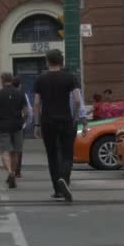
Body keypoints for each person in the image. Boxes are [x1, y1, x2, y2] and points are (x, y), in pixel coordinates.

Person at [33, 49, 83, 202]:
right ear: (61, 62)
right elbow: (76, 100)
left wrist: (36, 124)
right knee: (67, 153)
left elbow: (36, 103)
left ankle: (57, 189)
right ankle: (64, 179)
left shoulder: (40, 79)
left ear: (47, 61)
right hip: (66, 119)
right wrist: (74, 117)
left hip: (48, 121)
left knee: (52, 155)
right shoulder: (70, 78)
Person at [0, 73, 28, 189]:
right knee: (15, 152)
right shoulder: (20, 93)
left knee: (5, 151)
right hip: (17, 125)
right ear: (11, 80)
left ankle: (10, 172)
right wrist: (22, 122)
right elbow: (26, 111)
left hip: (3, 125)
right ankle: (14, 174)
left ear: (2, 80)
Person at [12, 76, 32, 178]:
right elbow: (28, 111)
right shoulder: (22, 95)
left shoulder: (5, 93)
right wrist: (26, 123)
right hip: (20, 125)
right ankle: (17, 170)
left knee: (10, 148)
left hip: (7, 125)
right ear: (20, 85)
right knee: (18, 148)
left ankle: (11, 169)